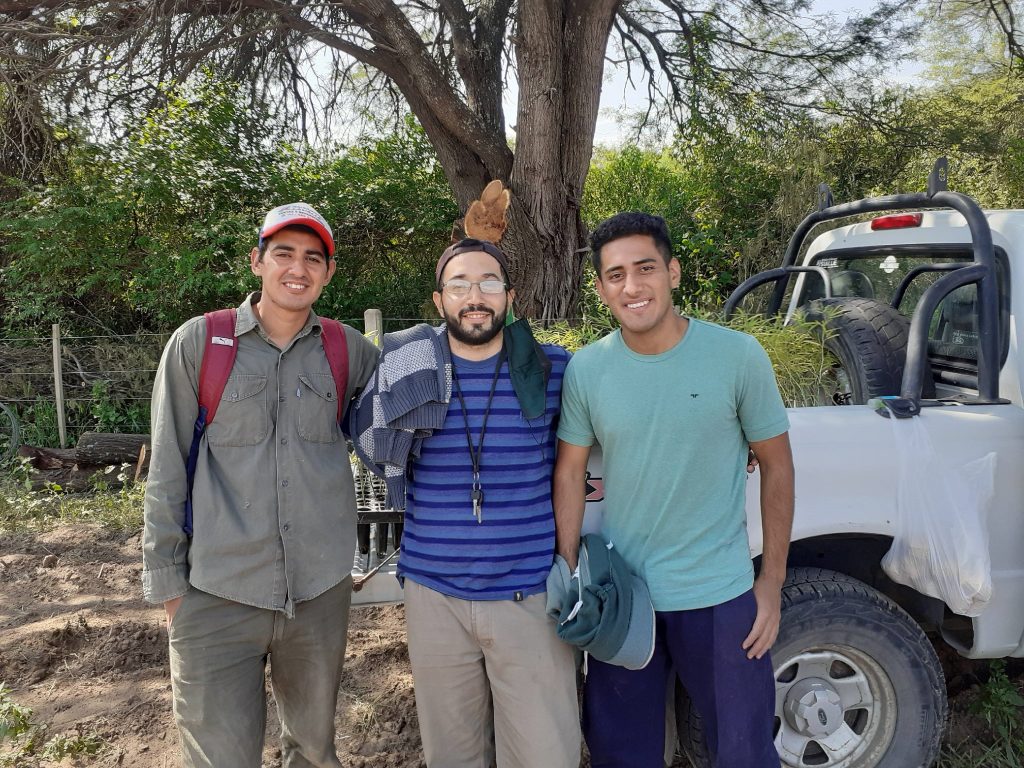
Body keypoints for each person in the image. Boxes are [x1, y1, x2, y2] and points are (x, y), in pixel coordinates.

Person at [142, 202, 379, 767]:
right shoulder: (201, 345)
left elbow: (423, 396)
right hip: (216, 591)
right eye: (283, 254)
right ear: (257, 261)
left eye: (312, 258)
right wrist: (170, 585)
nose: (297, 268)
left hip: (318, 593)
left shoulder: (349, 351)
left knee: (314, 752)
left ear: (328, 272)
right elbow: (166, 468)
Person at [553, 211, 795, 767]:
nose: (632, 287)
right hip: (623, 600)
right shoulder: (588, 370)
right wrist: (570, 572)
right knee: (623, 753)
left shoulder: (737, 357)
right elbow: (569, 471)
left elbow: (777, 466)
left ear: (674, 273)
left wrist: (772, 581)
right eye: (616, 275)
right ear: (600, 288)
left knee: (744, 751)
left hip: (720, 595)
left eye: (645, 269)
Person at [352, 233, 581, 768]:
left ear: (510, 295)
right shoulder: (403, 374)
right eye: (459, 284)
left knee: (546, 755)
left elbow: (613, 435)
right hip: (435, 599)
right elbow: (364, 437)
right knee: (452, 756)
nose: (473, 296)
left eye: (487, 283)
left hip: (528, 598)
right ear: (438, 300)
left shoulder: (552, 372)